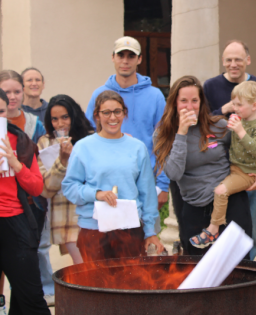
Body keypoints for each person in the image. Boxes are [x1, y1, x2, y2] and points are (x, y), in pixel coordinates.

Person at [154, 75, 253, 256]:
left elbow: (247, 152)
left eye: (194, 101)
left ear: (201, 103)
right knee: (199, 270)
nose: (189, 106)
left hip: (230, 203)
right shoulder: (163, 134)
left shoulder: (219, 126)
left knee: (239, 267)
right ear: (174, 103)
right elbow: (174, 174)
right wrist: (181, 132)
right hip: (195, 207)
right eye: (183, 101)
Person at [63, 90, 164, 262]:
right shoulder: (83, 147)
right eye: (106, 112)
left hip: (129, 230)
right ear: (97, 115)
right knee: (95, 285)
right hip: (93, 230)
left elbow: (147, 194)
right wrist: (97, 194)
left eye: (117, 111)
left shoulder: (137, 148)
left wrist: (150, 232)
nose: (112, 118)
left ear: (124, 113)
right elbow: (70, 187)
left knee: (129, 285)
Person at [85, 36, 169, 211]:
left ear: (139, 59)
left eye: (131, 56)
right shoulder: (99, 94)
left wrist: (163, 185)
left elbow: (164, 140)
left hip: (145, 179)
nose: (125, 61)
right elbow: (88, 137)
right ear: (113, 57)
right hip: (104, 179)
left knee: (144, 235)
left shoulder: (155, 96)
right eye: (120, 55)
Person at [0, 88, 55, 315]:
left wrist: (15, 164)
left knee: (31, 293)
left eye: (1, 111)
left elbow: (37, 186)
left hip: (15, 222)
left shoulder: (21, 141)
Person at [191, 81, 256, 248]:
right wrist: (211, 143)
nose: (235, 108)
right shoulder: (239, 120)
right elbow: (225, 142)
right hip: (232, 168)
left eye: (239, 105)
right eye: (233, 103)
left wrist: (240, 131)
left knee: (220, 191)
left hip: (246, 173)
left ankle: (213, 229)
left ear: (255, 105)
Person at [38, 95, 94, 265]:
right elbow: (46, 189)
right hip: (65, 216)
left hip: (92, 212)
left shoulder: (91, 139)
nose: (60, 124)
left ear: (74, 116)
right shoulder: (45, 142)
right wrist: (62, 161)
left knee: (99, 268)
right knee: (83, 267)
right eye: (54, 119)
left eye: (65, 117)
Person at [203, 40, 256, 117]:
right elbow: (203, 122)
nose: (233, 65)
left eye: (238, 60)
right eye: (229, 60)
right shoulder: (210, 86)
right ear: (223, 61)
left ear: (248, 60)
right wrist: (223, 110)